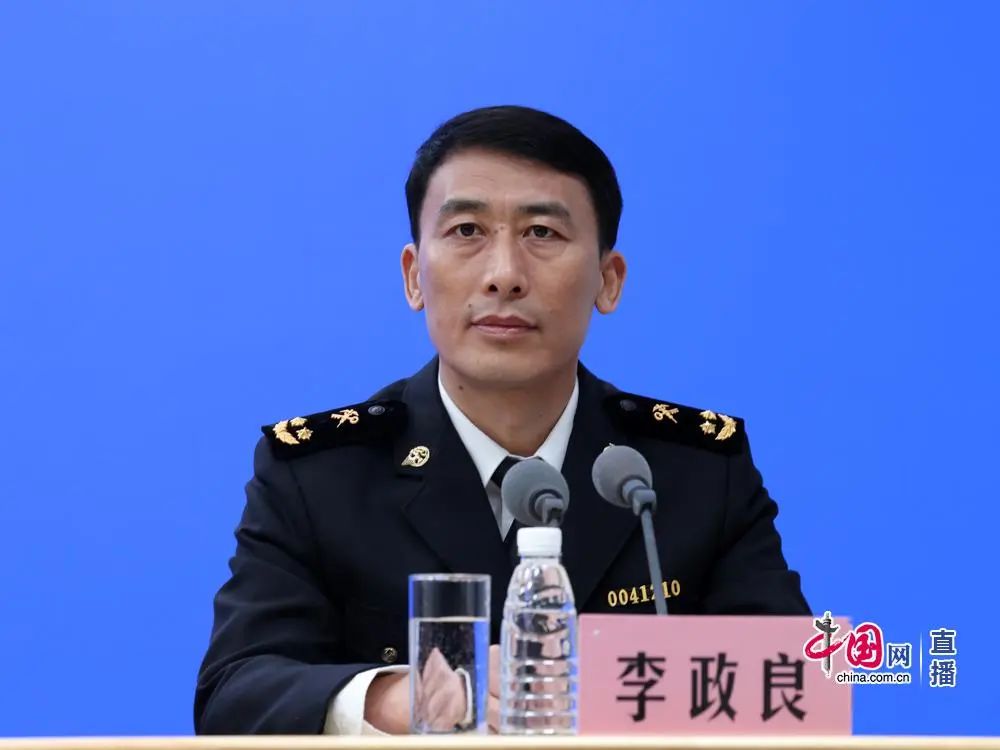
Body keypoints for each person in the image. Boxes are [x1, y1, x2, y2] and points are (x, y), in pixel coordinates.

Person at [194, 105, 810, 736]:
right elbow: (234, 695)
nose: (504, 276)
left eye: (542, 232)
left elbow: (797, 682)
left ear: (608, 279)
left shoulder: (691, 472)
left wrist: (611, 686)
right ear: (413, 276)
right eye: (466, 230)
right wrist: (400, 698)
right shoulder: (321, 475)